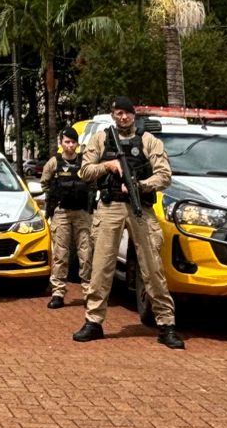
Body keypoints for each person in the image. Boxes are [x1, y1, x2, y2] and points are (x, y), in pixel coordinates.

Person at [74, 97, 185, 349]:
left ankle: (166, 324)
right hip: (110, 206)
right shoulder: (101, 139)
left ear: (134, 115)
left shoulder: (148, 140)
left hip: (140, 207)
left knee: (152, 267)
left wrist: (140, 185)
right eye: (118, 113)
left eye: (126, 113)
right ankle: (93, 320)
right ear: (113, 115)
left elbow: (164, 175)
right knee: (101, 266)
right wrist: (108, 165)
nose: (122, 117)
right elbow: (85, 171)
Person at [41, 127, 95, 311]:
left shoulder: (84, 163)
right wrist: (54, 198)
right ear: (61, 143)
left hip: (82, 214)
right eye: (66, 142)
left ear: (77, 144)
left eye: (72, 142)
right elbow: (45, 183)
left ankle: (88, 292)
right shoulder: (54, 163)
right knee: (60, 254)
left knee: (86, 253)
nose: (70, 145)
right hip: (62, 213)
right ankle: (58, 292)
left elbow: (92, 182)